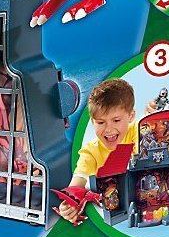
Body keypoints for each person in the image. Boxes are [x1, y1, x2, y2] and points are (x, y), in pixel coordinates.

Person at [57, 79, 137, 223]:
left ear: (130, 116)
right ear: (92, 122)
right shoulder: (90, 152)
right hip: (115, 214)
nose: (109, 129)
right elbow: (77, 183)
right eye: (101, 122)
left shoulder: (138, 131)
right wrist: (68, 205)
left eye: (116, 120)